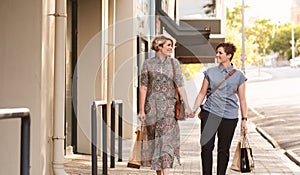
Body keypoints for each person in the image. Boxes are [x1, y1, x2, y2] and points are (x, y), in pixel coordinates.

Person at [138, 35, 192, 175]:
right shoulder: (148, 64)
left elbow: (180, 85)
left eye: (171, 46)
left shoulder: (174, 64)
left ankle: (166, 172)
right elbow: (143, 87)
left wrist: (188, 105)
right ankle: (160, 172)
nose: (171, 48)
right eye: (168, 45)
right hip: (152, 109)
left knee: (167, 141)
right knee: (156, 142)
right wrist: (141, 110)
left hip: (169, 109)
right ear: (159, 46)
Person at [192, 42, 248, 175]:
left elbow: (242, 99)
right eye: (217, 52)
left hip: (229, 117)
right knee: (206, 147)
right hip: (210, 113)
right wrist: (193, 109)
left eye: (220, 53)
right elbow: (202, 93)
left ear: (229, 55)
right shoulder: (210, 72)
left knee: (223, 150)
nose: (217, 55)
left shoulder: (239, 76)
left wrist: (244, 119)